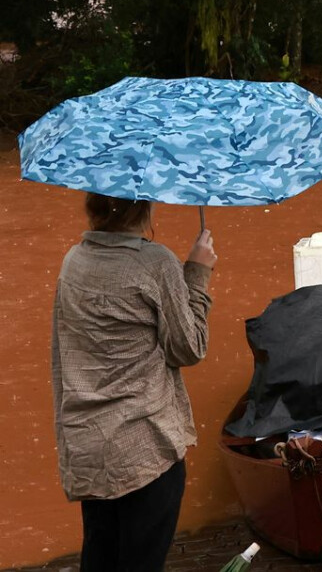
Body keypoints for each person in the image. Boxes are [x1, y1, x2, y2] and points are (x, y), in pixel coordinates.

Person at [51, 194, 216, 572]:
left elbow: (64, 351)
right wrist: (198, 272)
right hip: (145, 449)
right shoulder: (155, 262)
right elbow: (189, 349)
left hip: (90, 446)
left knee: (100, 554)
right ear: (145, 207)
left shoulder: (73, 260)